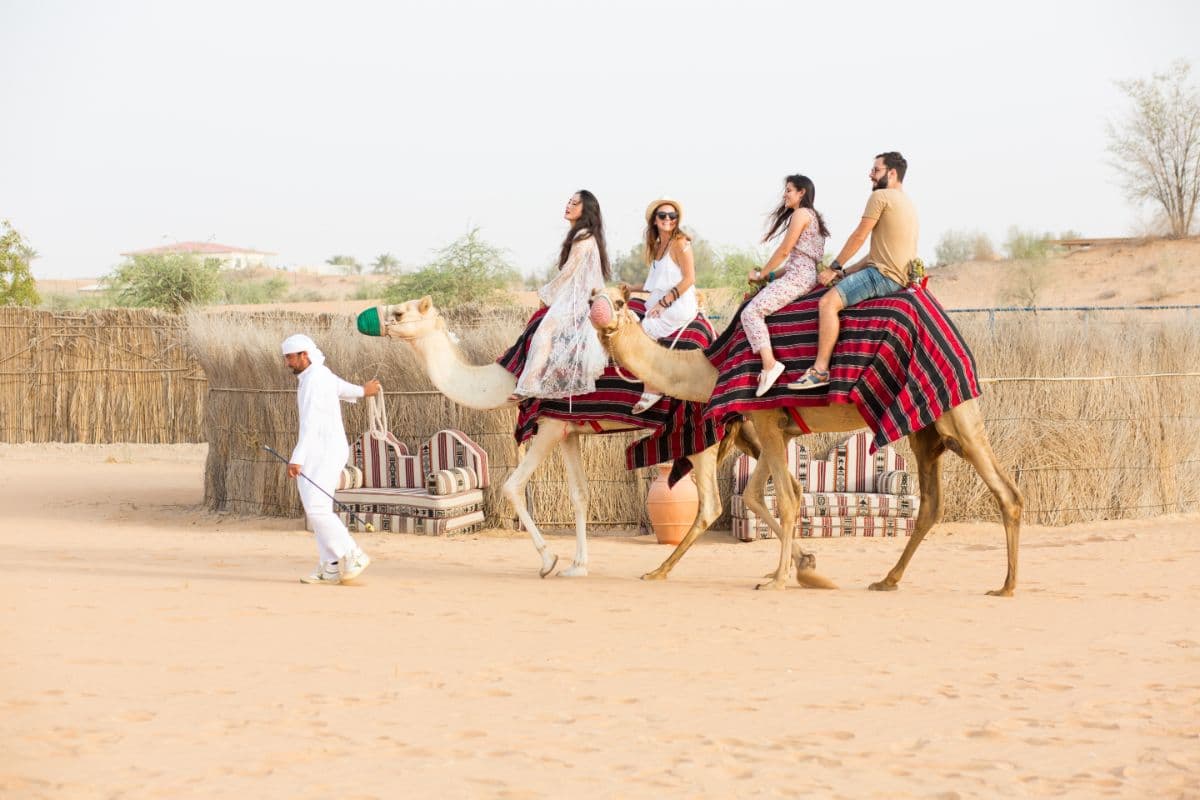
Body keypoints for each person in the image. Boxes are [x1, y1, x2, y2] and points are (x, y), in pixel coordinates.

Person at [789, 151, 917, 390]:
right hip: (895, 275)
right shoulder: (907, 203)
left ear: (892, 173)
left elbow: (859, 236)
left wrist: (833, 267)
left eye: (876, 170)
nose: (870, 174)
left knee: (827, 303)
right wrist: (845, 272)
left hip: (882, 276)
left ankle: (819, 371)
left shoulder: (881, 196)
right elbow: (875, 254)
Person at [282, 334, 381, 585]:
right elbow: (342, 388)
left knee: (316, 509)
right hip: (318, 450)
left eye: (290, 358)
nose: (287, 363)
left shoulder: (315, 379)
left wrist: (297, 458)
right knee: (318, 510)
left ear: (305, 355)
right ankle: (331, 567)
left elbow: (311, 424)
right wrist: (363, 391)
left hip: (324, 451)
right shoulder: (317, 376)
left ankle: (352, 553)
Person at [512, 190, 611, 400]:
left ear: (586, 210)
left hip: (579, 301)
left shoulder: (583, 237)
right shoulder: (583, 235)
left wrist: (545, 295)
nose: (569, 205)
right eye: (569, 201)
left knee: (544, 332)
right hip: (576, 298)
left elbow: (568, 273)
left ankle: (530, 382)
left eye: (575, 203)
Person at [740, 174, 829, 396]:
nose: (784, 194)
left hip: (797, 278)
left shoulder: (800, 214)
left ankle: (769, 364)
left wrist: (761, 274)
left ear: (802, 193)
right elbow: (796, 260)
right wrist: (770, 277)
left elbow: (784, 251)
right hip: (800, 274)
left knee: (751, 313)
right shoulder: (813, 216)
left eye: (789, 190)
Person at [625, 198, 698, 413]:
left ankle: (653, 387)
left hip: (678, 304)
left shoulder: (680, 243)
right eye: (663, 216)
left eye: (672, 216)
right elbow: (654, 285)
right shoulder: (659, 247)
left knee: (641, 333)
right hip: (663, 301)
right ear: (654, 220)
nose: (668, 219)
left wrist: (664, 304)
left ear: (677, 220)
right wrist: (631, 288)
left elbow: (689, 278)